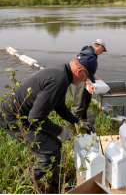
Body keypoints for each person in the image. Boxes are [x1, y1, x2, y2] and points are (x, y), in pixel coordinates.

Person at [0, 53, 97, 182]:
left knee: (55, 143)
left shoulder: (62, 72)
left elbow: (59, 104)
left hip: (25, 116)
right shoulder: (59, 81)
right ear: (80, 70)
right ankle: (22, 185)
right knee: (49, 153)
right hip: (13, 119)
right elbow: (36, 117)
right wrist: (61, 131)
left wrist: (77, 122)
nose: (85, 81)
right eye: (87, 77)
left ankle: (55, 180)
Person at [69, 39, 107, 121]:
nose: (102, 52)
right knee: (78, 105)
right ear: (101, 46)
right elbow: (81, 72)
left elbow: (89, 72)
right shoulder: (89, 56)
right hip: (79, 80)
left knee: (86, 101)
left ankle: (83, 122)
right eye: (103, 50)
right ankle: (73, 128)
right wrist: (88, 83)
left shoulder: (89, 52)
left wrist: (100, 81)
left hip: (82, 79)